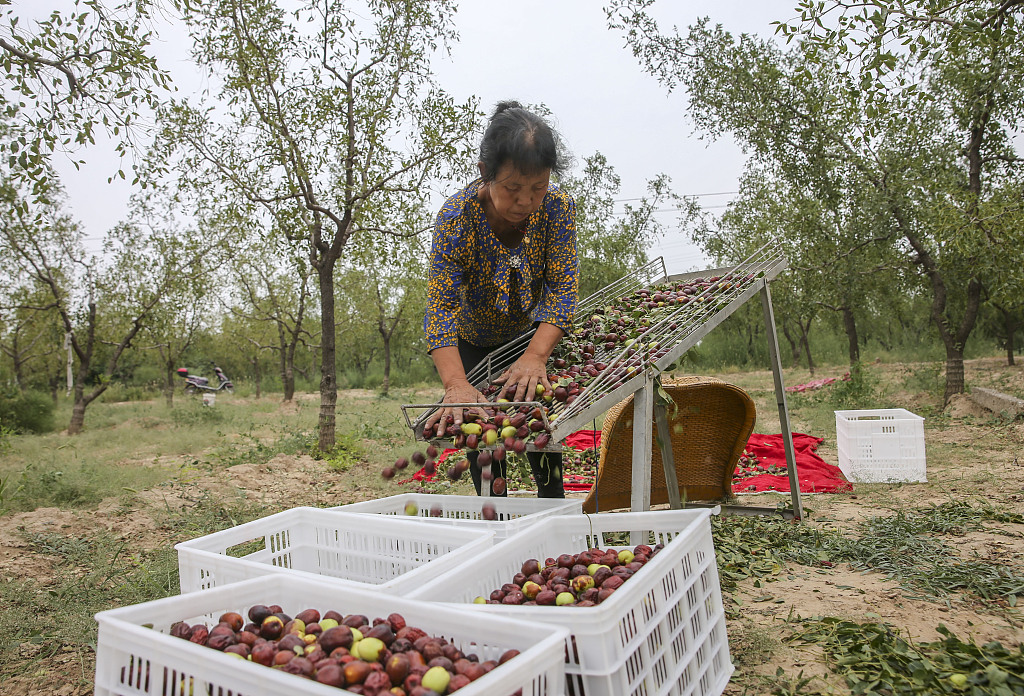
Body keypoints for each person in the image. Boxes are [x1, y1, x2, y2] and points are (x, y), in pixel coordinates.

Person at [423, 100, 577, 498]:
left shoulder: (557, 209)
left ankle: (551, 511)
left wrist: (536, 356)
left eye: (537, 188)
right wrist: (456, 383)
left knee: (541, 438)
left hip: (529, 339)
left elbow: (563, 288)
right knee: (486, 452)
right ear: (486, 174)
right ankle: (498, 525)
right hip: (474, 345)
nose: (525, 201)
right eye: (512, 188)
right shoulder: (457, 218)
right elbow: (441, 306)